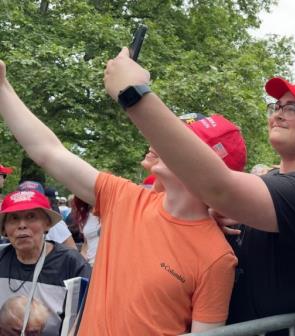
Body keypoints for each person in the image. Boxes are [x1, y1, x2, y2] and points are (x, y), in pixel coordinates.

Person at [102, 48, 295, 335]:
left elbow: (220, 186)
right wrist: (217, 216)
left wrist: (133, 94)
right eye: (276, 106)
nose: (277, 115)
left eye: (292, 108)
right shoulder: (277, 181)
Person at [0, 60, 243, 334]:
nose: (157, 141)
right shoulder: (123, 197)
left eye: (176, 141)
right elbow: (48, 151)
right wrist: (2, 87)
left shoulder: (216, 256)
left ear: (204, 166)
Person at [0, 189, 90, 335]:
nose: (22, 225)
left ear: (47, 224)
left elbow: (86, 318)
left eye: (31, 217)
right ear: (4, 229)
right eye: (14, 218)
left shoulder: (71, 263)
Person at [16, 181, 77, 250]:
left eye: (33, 198)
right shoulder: (13, 223)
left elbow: (72, 250)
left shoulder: (55, 223)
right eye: (23, 199)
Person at [69, 196, 100, 266]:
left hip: (107, 265)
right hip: (90, 264)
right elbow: (86, 242)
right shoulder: (84, 215)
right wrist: (81, 259)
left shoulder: (110, 211)